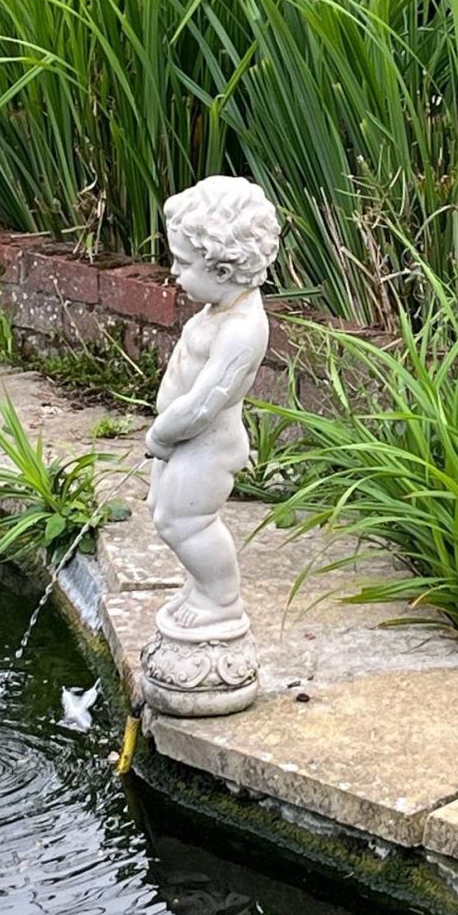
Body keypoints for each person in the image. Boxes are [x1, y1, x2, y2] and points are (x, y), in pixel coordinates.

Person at [146, 175, 280, 635]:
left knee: (188, 519)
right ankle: (201, 587)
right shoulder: (221, 307)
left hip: (208, 442)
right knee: (167, 514)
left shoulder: (244, 328)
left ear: (222, 271)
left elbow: (205, 403)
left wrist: (161, 434)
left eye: (183, 264)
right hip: (187, 440)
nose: (175, 274)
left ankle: (221, 601)